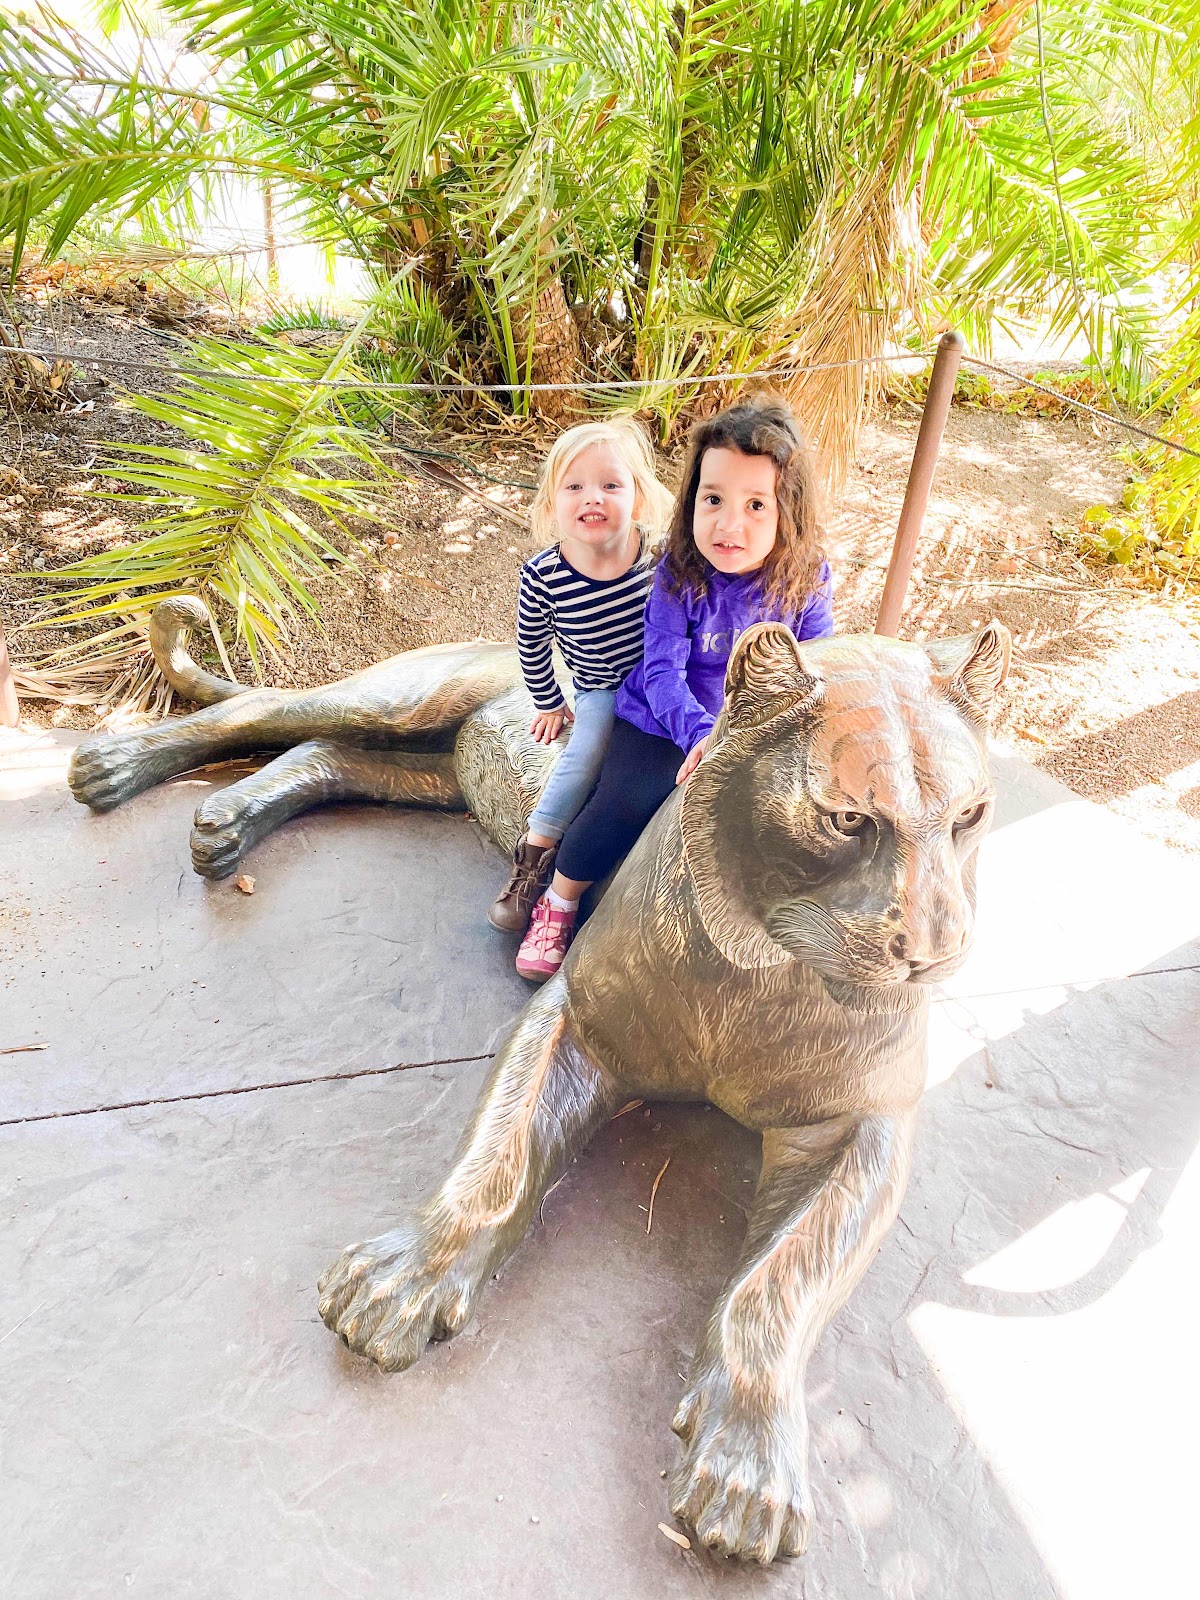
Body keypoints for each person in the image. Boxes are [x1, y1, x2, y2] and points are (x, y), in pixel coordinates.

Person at [515, 397, 834, 981]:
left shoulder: (807, 577)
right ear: (691, 501)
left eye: (755, 505)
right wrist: (703, 735)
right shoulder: (677, 573)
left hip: (758, 727)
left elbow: (818, 665)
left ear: (787, 510)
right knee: (621, 803)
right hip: (665, 721)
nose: (728, 525)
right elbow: (663, 672)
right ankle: (558, 899)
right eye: (713, 500)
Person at [489, 417, 673, 934]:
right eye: (574, 487)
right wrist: (549, 701)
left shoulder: (658, 557)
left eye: (611, 485)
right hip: (602, 688)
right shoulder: (544, 576)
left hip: (661, 681)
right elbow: (532, 643)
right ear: (552, 504)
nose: (593, 497)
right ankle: (535, 854)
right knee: (587, 752)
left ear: (637, 498)